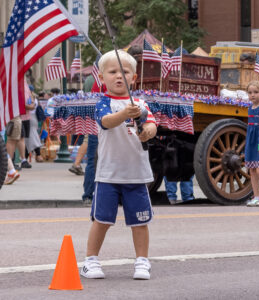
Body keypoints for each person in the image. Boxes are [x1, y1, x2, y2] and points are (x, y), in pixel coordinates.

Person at [80, 50, 157, 280]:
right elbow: (106, 122)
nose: (119, 76)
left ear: (134, 77)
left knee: (140, 221)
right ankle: (90, 260)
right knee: (101, 220)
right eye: (112, 72)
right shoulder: (103, 102)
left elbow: (151, 125)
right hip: (108, 175)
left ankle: (142, 261)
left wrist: (147, 134)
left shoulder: (141, 104)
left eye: (125, 72)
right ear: (102, 78)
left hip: (136, 174)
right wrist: (125, 113)